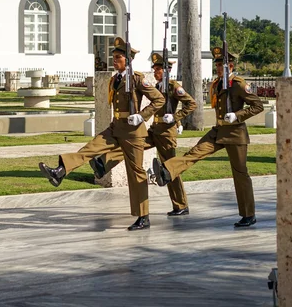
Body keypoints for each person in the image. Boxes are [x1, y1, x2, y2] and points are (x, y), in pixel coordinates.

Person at [39, 37, 164, 231]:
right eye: (113, 57)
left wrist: (141, 116)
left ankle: (143, 216)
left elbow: (159, 100)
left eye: (118, 57)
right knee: (91, 147)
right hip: (115, 128)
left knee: (136, 173)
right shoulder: (115, 79)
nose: (114, 60)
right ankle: (61, 170)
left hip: (133, 133)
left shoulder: (137, 79)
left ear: (128, 60)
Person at [151, 46, 264, 227]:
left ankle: (248, 214)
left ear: (231, 66)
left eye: (222, 65)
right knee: (194, 153)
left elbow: (258, 106)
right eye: (217, 64)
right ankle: (166, 170)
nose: (218, 68)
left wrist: (238, 115)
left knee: (240, 174)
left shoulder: (239, 84)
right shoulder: (217, 83)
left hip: (235, 134)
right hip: (218, 130)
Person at [89, 52, 197, 216]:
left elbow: (191, 104)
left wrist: (176, 118)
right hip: (154, 130)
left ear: (167, 70)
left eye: (159, 69)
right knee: (132, 145)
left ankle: (181, 205)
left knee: (169, 169)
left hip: (167, 134)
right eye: (154, 69)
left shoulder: (173, 86)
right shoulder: (158, 87)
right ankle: (104, 162)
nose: (155, 72)